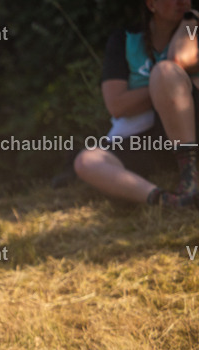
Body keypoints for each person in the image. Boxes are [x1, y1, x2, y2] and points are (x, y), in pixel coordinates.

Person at [74, 1, 199, 207]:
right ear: (151, 4)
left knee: (165, 71)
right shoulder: (124, 39)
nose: (180, 1)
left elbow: (178, 58)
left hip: (191, 127)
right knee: (86, 161)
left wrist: (191, 20)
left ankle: (191, 178)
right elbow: (117, 106)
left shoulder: (192, 26)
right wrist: (160, 91)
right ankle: (166, 200)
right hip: (147, 137)